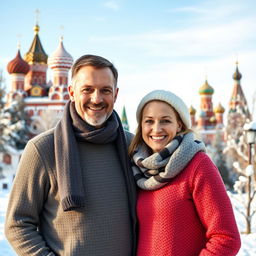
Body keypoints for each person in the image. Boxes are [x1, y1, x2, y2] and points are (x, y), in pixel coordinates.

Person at [5, 54, 137, 256]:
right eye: (87, 90)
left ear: (116, 94)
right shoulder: (43, 149)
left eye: (105, 90)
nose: (97, 98)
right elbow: (17, 225)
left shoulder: (132, 146)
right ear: (71, 92)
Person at [129, 89, 241, 256]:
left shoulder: (197, 165)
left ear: (179, 124)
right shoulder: (138, 169)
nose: (156, 129)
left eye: (165, 121)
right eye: (149, 121)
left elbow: (226, 238)